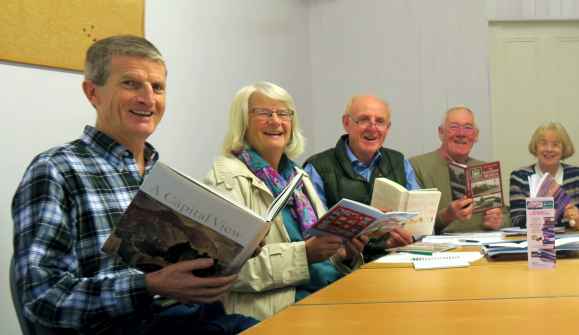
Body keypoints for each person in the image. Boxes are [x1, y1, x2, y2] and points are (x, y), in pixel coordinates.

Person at [11, 35, 260, 335]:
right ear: (92, 92)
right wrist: (148, 286)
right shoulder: (56, 170)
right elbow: (40, 295)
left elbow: (177, 268)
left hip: (204, 321)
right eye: (131, 83)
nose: (148, 99)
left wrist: (231, 253)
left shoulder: (163, 177)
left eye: (157, 88)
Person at [203, 82, 369, 320]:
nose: (275, 121)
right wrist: (304, 254)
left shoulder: (298, 177)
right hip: (274, 311)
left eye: (283, 114)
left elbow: (321, 253)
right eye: (263, 113)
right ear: (243, 122)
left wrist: (343, 253)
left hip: (326, 291)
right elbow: (226, 269)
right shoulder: (226, 180)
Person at [302, 94, 416, 260]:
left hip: (396, 258)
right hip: (343, 267)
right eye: (364, 120)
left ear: (388, 127)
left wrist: (410, 238)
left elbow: (419, 220)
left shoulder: (400, 162)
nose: (372, 127)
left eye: (380, 121)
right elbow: (314, 234)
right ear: (347, 123)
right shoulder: (318, 167)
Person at [408, 106, 510, 233]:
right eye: (454, 127)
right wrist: (445, 216)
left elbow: (506, 218)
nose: (461, 134)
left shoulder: (484, 169)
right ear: (441, 132)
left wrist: (497, 222)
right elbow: (411, 224)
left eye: (468, 128)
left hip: (482, 247)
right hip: (440, 249)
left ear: (476, 135)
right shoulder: (416, 166)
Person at [509, 123, 579, 229]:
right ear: (535, 147)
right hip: (534, 242)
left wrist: (577, 221)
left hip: (571, 242)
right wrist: (538, 218)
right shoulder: (520, 177)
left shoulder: (577, 175)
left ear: (564, 148)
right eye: (543, 143)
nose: (549, 149)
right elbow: (516, 221)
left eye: (555, 144)